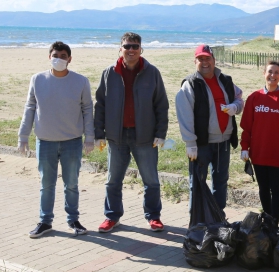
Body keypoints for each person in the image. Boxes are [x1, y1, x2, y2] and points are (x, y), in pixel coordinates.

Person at [94, 32, 169, 233]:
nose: (131, 50)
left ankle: (153, 216)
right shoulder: (109, 73)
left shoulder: (152, 72)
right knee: (112, 180)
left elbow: (161, 104)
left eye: (135, 46)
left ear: (141, 49)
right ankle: (112, 217)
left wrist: (161, 133)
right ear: (121, 49)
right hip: (116, 137)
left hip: (144, 136)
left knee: (151, 180)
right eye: (127, 46)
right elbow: (100, 104)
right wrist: (98, 133)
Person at [19, 41, 94, 238]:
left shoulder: (81, 81)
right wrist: (23, 136)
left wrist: (90, 137)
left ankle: (73, 220)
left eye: (63, 56)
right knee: (47, 184)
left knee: (72, 184)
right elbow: (30, 108)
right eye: (55, 55)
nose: (59, 59)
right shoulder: (37, 80)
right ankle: (45, 222)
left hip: (72, 141)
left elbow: (87, 108)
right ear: (49, 57)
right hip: (45, 141)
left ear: (70, 59)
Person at [176, 44, 244, 218]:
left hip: (224, 142)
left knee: (220, 182)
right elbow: (184, 115)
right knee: (197, 182)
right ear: (195, 61)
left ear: (214, 60)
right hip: (201, 144)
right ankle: (197, 220)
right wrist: (190, 143)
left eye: (208, 58)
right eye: (201, 59)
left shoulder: (225, 80)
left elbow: (239, 98)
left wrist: (234, 107)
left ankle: (217, 216)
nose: (205, 62)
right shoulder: (190, 84)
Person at [240, 61, 279, 222]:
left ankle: (275, 221)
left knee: (276, 188)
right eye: (270, 72)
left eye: (276, 73)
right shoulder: (254, 97)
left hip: (278, 154)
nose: (272, 75)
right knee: (263, 189)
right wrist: (244, 147)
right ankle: (267, 219)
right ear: (264, 73)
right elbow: (246, 127)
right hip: (258, 153)